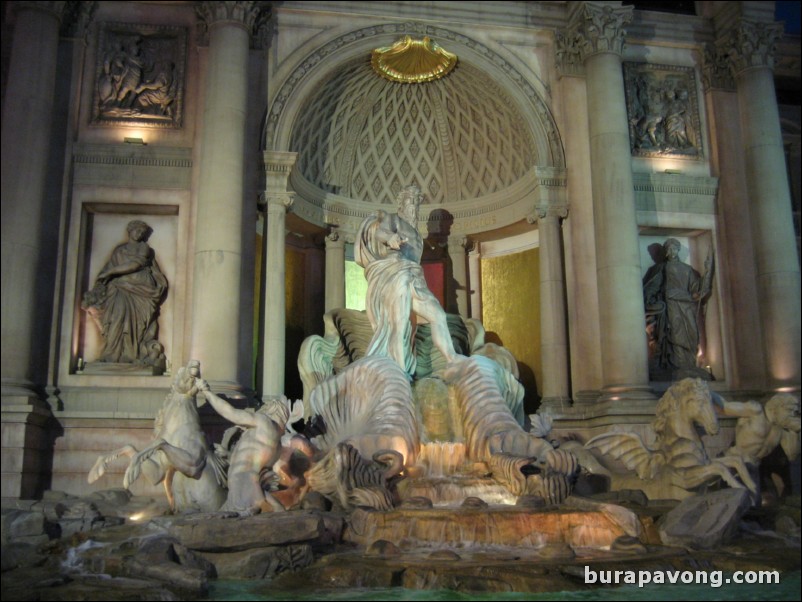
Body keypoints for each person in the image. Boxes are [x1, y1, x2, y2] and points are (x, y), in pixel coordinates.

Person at [354, 185, 458, 376]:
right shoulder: (393, 219)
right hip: (397, 274)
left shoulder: (418, 236)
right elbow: (380, 233)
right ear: (401, 204)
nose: (414, 207)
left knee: (439, 315)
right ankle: (400, 375)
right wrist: (391, 237)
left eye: (417, 203)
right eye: (410, 201)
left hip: (415, 278)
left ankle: (453, 360)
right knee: (399, 325)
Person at [83, 220, 167, 363]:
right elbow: (107, 268)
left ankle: (132, 354)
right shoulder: (119, 250)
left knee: (136, 324)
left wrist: (111, 272)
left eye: (142, 232)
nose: (139, 234)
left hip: (140, 288)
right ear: (130, 231)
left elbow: (136, 264)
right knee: (116, 318)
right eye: (137, 230)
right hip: (119, 289)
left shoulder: (144, 248)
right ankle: (111, 353)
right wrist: (103, 279)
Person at [642, 238, 713, 379]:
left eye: (674, 248)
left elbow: (697, 289)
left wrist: (708, 273)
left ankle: (689, 364)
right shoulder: (659, 269)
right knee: (675, 333)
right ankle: (677, 365)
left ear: (678, 250)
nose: (672, 251)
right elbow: (651, 288)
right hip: (670, 305)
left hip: (686, 306)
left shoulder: (687, 270)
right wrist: (652, 301)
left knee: (690, 334)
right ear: (666, 252)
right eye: (669, 249)